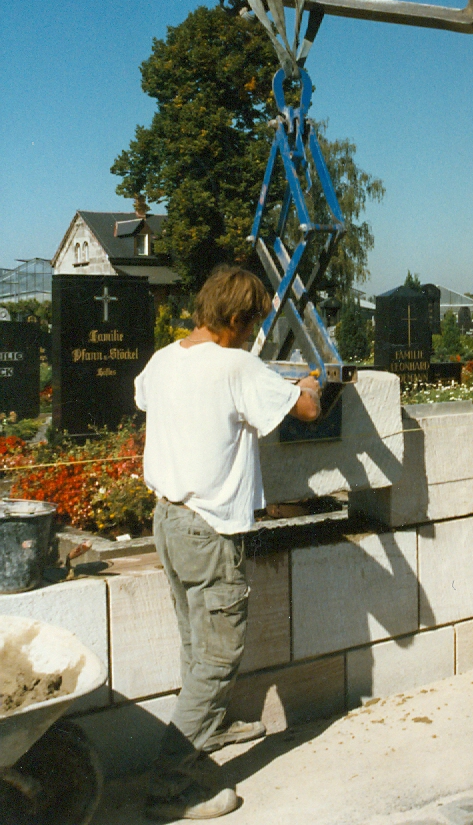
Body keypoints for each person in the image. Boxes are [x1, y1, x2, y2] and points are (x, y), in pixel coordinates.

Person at [134, 265, 320, 820]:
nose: (253, 333)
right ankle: (170, 788)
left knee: (197, 645)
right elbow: (308, 410)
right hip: (209, 530)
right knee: (218, 657)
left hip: (169, 521)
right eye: (253, 323)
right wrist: (308, 383)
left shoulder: (164, 358)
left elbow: (146, 399)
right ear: (236, 318)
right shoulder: (237, 365)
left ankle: (209, 731)